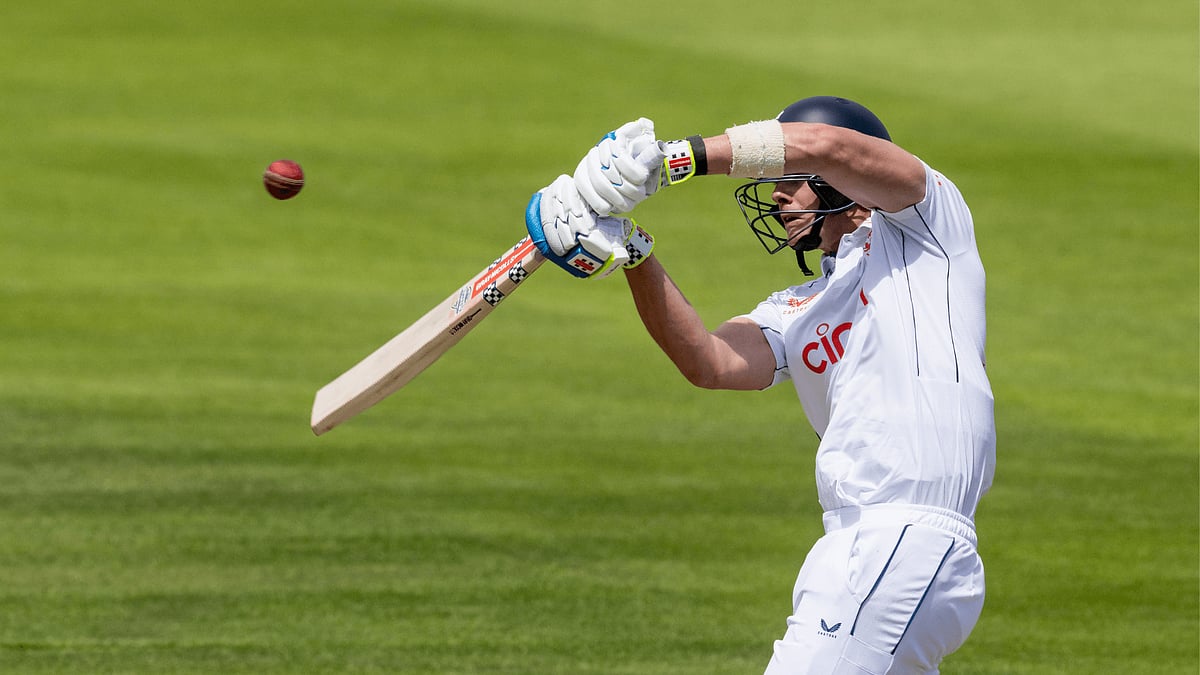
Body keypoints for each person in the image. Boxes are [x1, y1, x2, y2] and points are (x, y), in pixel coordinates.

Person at [525, 96, 996, 674]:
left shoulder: (926, 229)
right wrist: (632, 250)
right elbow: (711, 361)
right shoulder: (800, 304)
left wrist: (675, 160)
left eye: (788, 180)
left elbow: (826, 145)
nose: (775, 195)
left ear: (841, 181)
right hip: (862, 545)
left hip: (898, 538)